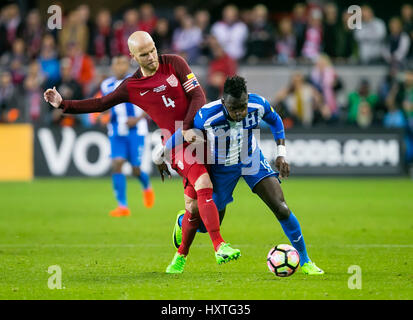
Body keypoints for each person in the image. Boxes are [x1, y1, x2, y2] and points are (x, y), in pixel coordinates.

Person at [43, 31, 241, 271]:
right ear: (133, 56)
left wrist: (188, 128)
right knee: (203, 183)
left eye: (153, 50)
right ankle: (219, 246)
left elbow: (198, 95)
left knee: (194, 208)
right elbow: (100, 104)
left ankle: (180, 257)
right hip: (176, 143)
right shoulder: (131, 86)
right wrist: (63, 104)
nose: (152, 57)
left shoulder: (175, 63)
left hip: (201, 136)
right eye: (144, 54)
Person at [165, 76, 324, 275]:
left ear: (247, 99)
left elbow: (275, 121)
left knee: (281, 207)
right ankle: (183, 221)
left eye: (243, 106)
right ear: (224, 103)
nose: (240, 113)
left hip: (251, 159)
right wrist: (161, 154)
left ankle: (306, 261)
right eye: (234, 108)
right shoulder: (207, 116)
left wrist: (281, 153)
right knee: (206, 226)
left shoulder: (258, 104)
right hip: (221, 169)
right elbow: (183, 133)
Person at [100, 55, 154, 216]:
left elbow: (151, 103)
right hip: (116, 131)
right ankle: (123, 206)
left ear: (128, 66)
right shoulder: (106, 84)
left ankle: (147, 186)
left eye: (122, 63)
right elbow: (105, 104)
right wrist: (102, 114)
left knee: (135, 169)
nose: (119, 66)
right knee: (117, 164)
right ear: (112, 66)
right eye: (116, 63)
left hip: (136, 130)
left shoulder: (138, 80)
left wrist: (137, 119)